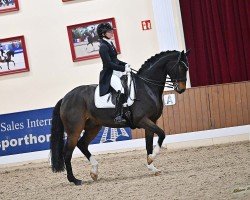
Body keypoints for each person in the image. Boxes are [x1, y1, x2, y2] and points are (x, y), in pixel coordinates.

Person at [97, 22, 131, 124]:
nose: (112, 33)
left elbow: (115, 60)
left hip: (117, 71)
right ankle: (118, 116)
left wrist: (125, 64)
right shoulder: (103, 46)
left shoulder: (110, 44)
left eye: (112, 31)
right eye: (109, 31)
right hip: (110, 74)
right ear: (103, 34)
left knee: (130, 85)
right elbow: (108, 64)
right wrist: (123, 69)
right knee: (121, 90)